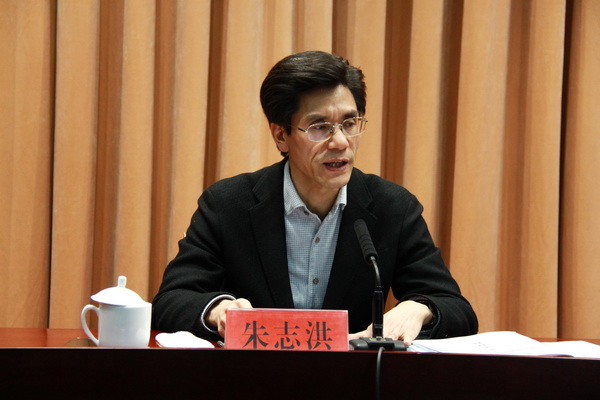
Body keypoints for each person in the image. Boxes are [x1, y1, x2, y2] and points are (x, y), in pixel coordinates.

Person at [152, 50, 478, 345]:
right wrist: (219, 311)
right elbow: (171, 301)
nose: (340, 142)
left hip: (351, 380)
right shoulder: (228, 204)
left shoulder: (393, 207)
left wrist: (417, 309)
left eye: (349, 123)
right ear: (281, 135)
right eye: (319, 127)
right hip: (255, 377)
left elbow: (456, 309)